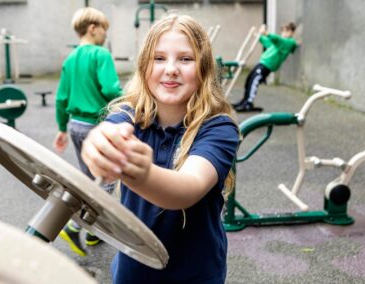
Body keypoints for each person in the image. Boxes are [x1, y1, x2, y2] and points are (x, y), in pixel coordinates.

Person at [81, 14, 240, 284]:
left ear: (204, 68)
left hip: (197, 275)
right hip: (133, 272)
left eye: (186, 59)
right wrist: (100, 144)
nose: (171, 69)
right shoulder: (127, 116)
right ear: (144, 66)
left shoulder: (218, 128)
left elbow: (188, 187)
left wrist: (142, 174)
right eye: (159, 58)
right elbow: (110, 132)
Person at [53, 7, 123, 257]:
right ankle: (74, 226)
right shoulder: (100, 54)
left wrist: (62, 128)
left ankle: (94, 232)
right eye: (104, 29)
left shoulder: (70, 60)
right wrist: (131, 100)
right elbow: (111, 89)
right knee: (107, 179)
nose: (105, 34)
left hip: (76, 126)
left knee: (89, 179)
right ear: (93, 28)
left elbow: (61, 99)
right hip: (98, 126)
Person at [232, 22, 297, 112]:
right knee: (249, 79)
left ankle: (248, 103)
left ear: (292, 32)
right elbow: (267, 41)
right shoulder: (278, 43)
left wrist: (266, 33)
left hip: (267, 65)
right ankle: (245, 100)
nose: (284, 33)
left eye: (287, 31)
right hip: (262, 63)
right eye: (283, 31)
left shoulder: (289, 42)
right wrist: (256, 35)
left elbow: (277, 40)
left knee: (255, 81)